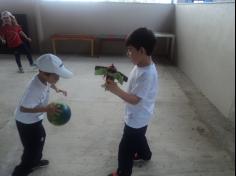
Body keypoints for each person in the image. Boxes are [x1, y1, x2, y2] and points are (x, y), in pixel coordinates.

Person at [105, 27, 158, 176]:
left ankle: (123, 172)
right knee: (139, 136)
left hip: (137, 115)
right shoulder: (141, 65)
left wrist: (115, 90)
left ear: (141, 50)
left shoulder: (147, 74)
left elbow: (135, 99)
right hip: (142, 115)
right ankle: (145, 155)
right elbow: (133, 83)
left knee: (125, 148)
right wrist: (115, 75)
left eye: (130, 50)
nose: (128, 54)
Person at [12, 54, 73, 176]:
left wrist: (56, 88)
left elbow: (49, 82)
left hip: (33, 120)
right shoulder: (34, 90)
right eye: (56, 77)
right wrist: (46, 109)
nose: (58, 78)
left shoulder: (43, 78)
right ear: (45, 73)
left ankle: (35, 160)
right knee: (32, 148)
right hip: (27, 123)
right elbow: (23, 108)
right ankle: (22, 170)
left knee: (40, 139)